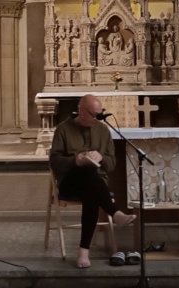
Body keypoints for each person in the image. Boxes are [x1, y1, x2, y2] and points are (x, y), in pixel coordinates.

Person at [49, 94, 136, 268]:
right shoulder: (63, 129)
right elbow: (54, 162)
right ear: (82, 111)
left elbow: (111, 164)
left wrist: (101, 157)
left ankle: (83, 252)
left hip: (95, 184)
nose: (98, 118)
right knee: (88, 173)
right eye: (94, 115)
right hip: (69, 183)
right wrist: (76, 160)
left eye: (100, 114)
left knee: (92, 190)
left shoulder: (103, 130)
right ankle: (115, 214)